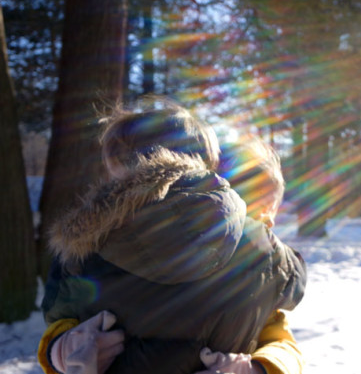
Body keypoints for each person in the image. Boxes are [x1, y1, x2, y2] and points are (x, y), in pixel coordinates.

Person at [37, 100, 306, 374]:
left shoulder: (83, 250)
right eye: (261, 210)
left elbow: (62, 318)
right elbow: (284, 337)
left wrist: (61, 351)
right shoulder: (261, 257)